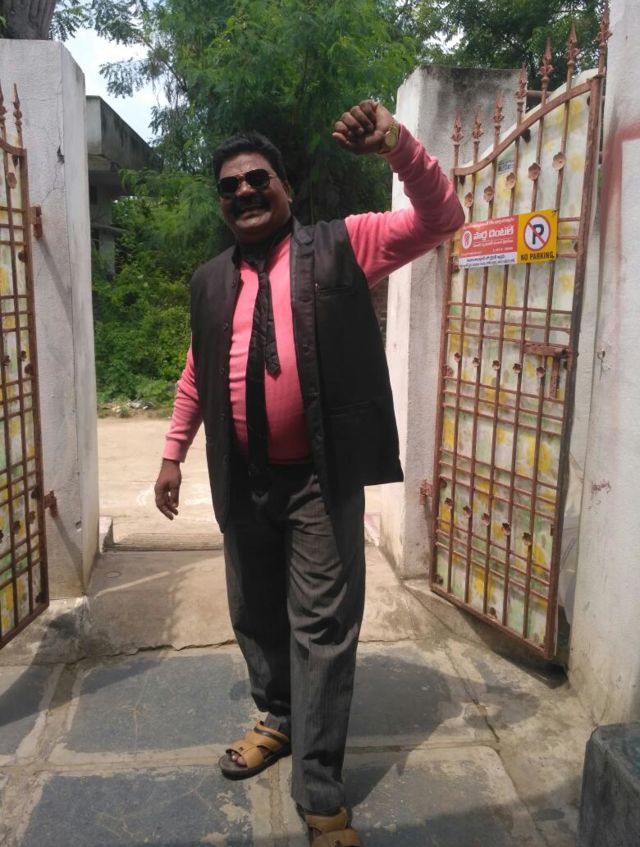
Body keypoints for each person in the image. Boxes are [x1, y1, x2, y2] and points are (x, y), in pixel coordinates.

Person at [154, 99, 464, 847]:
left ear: (285, 187)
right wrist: (172, 452)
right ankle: (278, 717)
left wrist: (398, 147)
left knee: (321, 627)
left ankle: (319, 785)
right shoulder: (210, 282)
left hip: (321, 480)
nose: (244, 191)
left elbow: (441, 218)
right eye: (229, 186)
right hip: (242, 478)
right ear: (222, 203)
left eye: (257, 178)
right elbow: (198, 371)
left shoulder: (341, 245)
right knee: (255, 613)